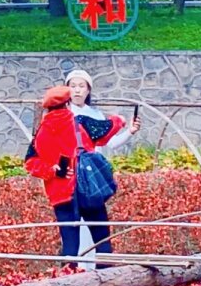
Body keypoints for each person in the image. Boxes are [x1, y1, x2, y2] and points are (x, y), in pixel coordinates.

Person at [24, 80, 136, 270]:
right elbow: (108, 127)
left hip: (61, 195)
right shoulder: (80, 123)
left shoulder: (41, 133)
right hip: (89, 189)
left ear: (48, 108)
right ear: (68, 103)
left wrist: (52, 170)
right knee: (102, 240)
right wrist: (122, 121)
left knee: (70, 244)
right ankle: (105, 284)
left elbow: (30, 162)